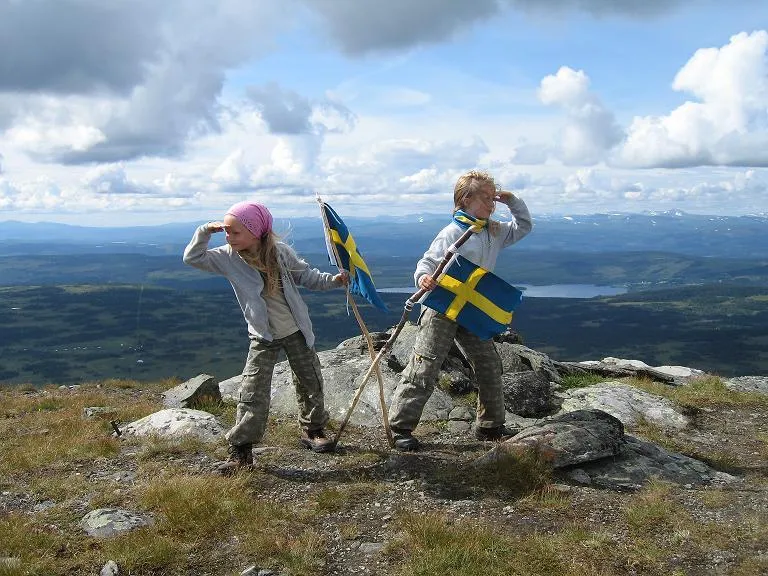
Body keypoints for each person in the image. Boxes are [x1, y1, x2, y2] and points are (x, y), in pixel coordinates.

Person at [183, 201, 348, 473]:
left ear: (256, 231)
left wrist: (334, 281)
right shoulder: (226, 257)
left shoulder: (280, 253)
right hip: (263, 336)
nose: (229, 237)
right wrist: (204, 231)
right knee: (253, 391)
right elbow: (192, 258)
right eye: (226, 232)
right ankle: (241, 450)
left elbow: (307, 277)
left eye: (235, 232)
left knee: (310, 380)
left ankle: (313, 430)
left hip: (295, 329)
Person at [388, 170, 533, 451]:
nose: (492, 204)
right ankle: (400, 428)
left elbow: (523, 227)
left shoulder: (493, 231)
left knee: (489, 365)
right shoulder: (453, 232)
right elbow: (427, 262)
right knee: (425, 366)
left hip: (472, 310)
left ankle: (491, 426)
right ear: (466, 199)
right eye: (486, 198)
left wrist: (513, 201)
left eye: (494, 198)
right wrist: (423, 279)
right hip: (442, 308)